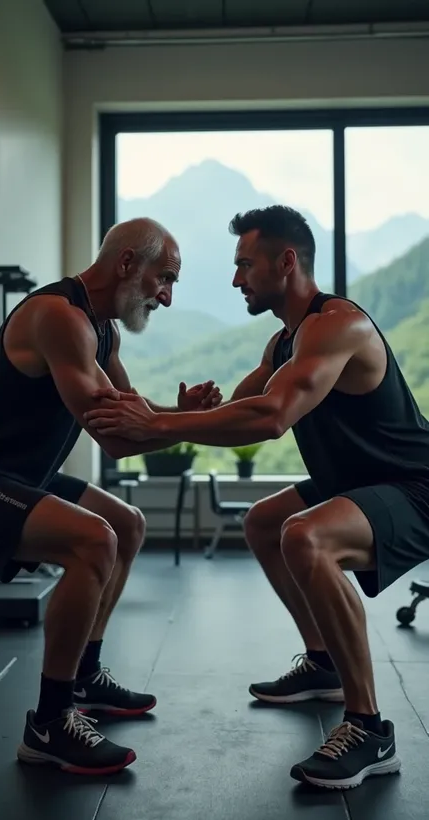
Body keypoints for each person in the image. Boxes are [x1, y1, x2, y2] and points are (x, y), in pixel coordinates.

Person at [83, 205, 429, 791]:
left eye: (245, 264)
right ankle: (323, 662)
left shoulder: (337, 325)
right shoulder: (283, 343)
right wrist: (180, 414)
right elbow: (233, 411)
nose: (238, 278)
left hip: (413, 487)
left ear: (286, 261)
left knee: (306, 535)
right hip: (359, 483)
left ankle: (370, 727)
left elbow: (271, 417)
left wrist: (157, 428)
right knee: (268, 523)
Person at [0, 217, 221, 776]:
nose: (167, 297)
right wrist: (197, 426)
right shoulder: (58, 317)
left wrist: (179, 415)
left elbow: (129, 407)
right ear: (127, 264)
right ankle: (49, 725)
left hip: (25, 475)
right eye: (164, 279)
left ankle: (85, 677)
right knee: (93, 540)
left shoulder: (105, 330)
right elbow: (117, 437)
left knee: (125, 523)